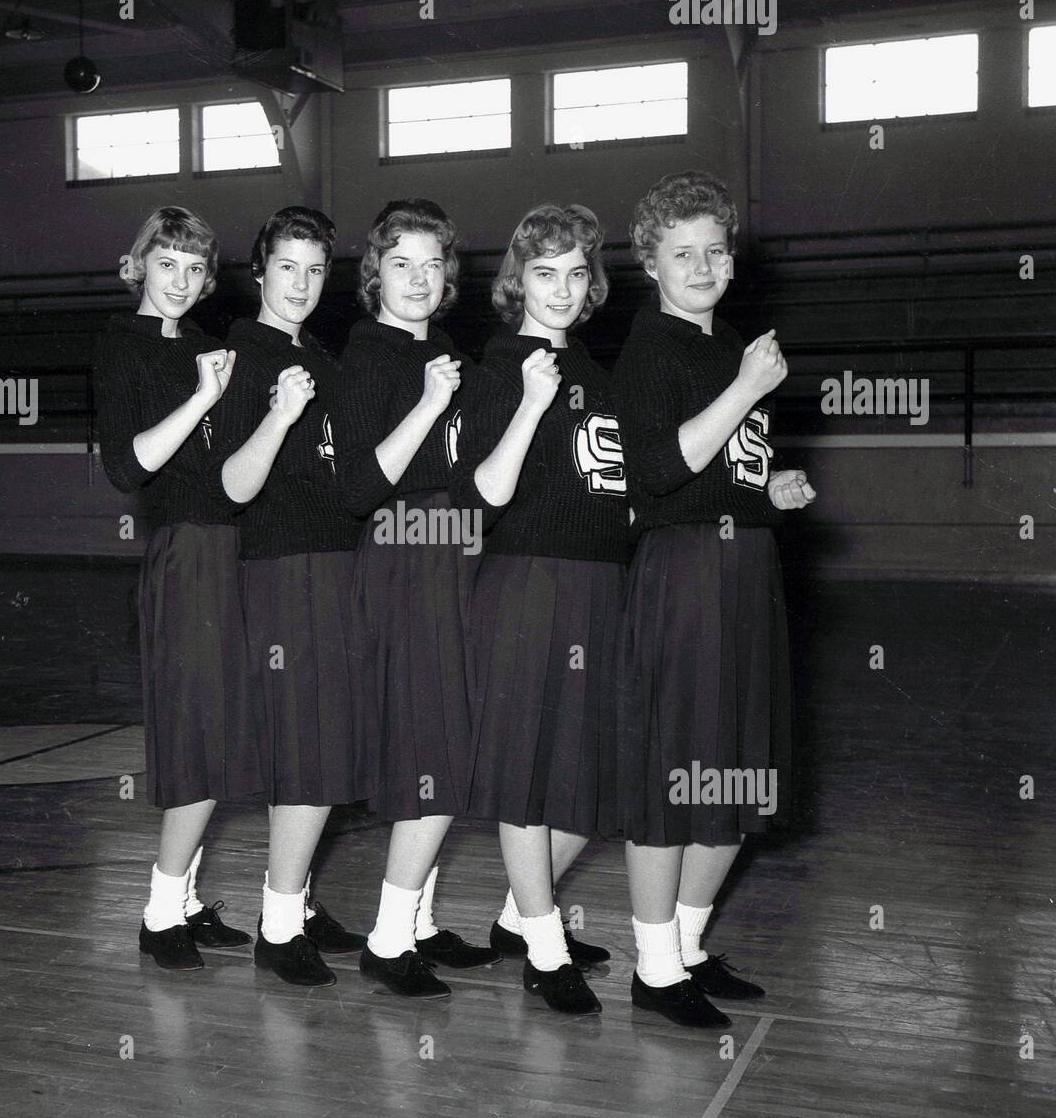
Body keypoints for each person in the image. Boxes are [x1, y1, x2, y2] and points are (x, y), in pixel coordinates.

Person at [610, 170, 815, 1027]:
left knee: (734, 769)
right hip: (683, 578)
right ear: (651, 266)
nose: (701, 267)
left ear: (732, 263)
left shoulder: (727, 343)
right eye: (681, 254)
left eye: (714, 252)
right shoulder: (652, 348)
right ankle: (653, 969)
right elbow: (658, 471)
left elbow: (724, 468)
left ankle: (687, 946)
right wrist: (747, 390)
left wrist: (773, 491)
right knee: (673, 774)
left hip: (743, 570)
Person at [454, 204, 627, 1016]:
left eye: (576, 273)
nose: (561, 289)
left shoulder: (596, 363)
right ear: (516, 281)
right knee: (528, 776)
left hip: (598, 585)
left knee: (590, 784)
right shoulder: (496, 366)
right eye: (544, 273)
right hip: (525, 583)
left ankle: (516, 919)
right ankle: (545, 947)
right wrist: (527, 403)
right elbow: (485, 494)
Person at [336, 198, 499, 999]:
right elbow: (360, 487)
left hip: (448, 555)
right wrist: (433, 404)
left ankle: (421, 922)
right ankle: (389, 938)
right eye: (401, 263)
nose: (419, 278)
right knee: (435, 748)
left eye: (433, 264)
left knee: (446, 742)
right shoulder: (368, 356)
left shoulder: (448, 354)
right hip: (403, 557)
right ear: (375, 275)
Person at [94, 205, 261, 971]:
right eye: (169, 265)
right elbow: (129, 468)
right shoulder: (121, 345)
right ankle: (160, 914)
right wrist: (200, 397)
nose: (184, 282)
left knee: (220, 731)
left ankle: (188, 901)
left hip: (233, 549)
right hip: (184, 554)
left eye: (197, 269)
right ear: (139, 265)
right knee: (196, 731)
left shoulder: (207, 346)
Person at [215, 206, 368, 985]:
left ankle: (297, 903)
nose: (303, 284)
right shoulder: (244, 358)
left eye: (316, 270)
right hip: (285, 566)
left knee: (319, 742)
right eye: (288, 267)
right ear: (260, 271)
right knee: (311, 746)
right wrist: (278, 415)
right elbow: (236, 483)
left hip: (335, 563)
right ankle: (278, 927)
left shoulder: (326, 360)